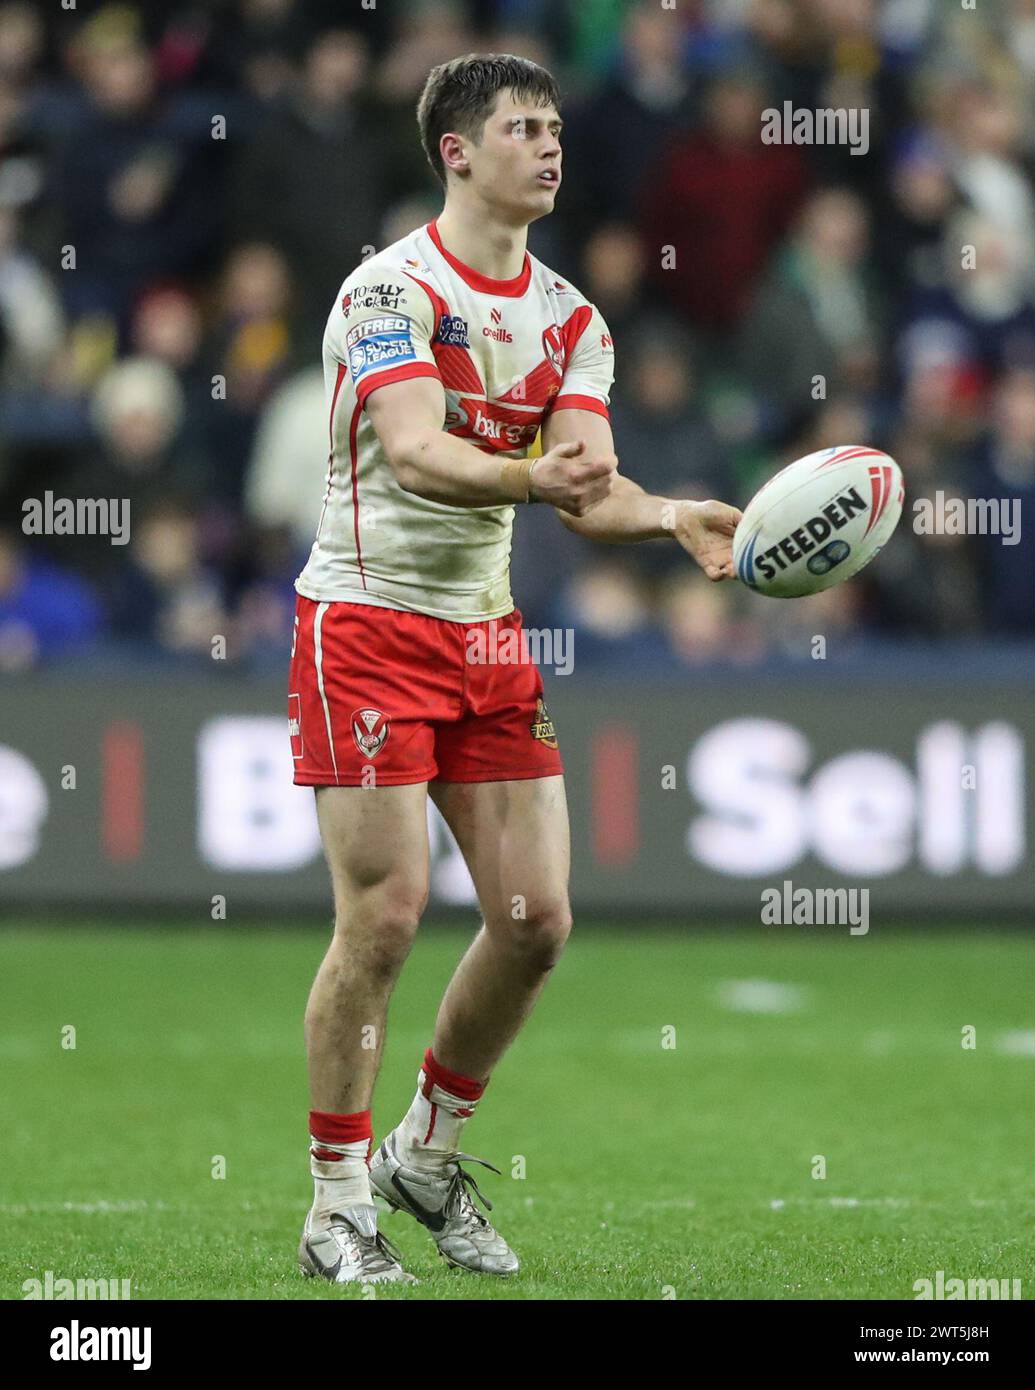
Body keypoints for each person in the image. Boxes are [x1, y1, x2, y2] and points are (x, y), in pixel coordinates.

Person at [287, 52, 741, 1285]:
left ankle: (423, 1160)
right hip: (367, 622)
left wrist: (671, 516)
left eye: (553, 127)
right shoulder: (390, 289)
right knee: (381, 918)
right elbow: (417, 450)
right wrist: (533, 478)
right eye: (523, 128)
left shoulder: (572, 319)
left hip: (484, 632)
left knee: (536, 921)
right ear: (456, 149)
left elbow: (586, 486)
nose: (549, 147)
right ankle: (335, 1202)